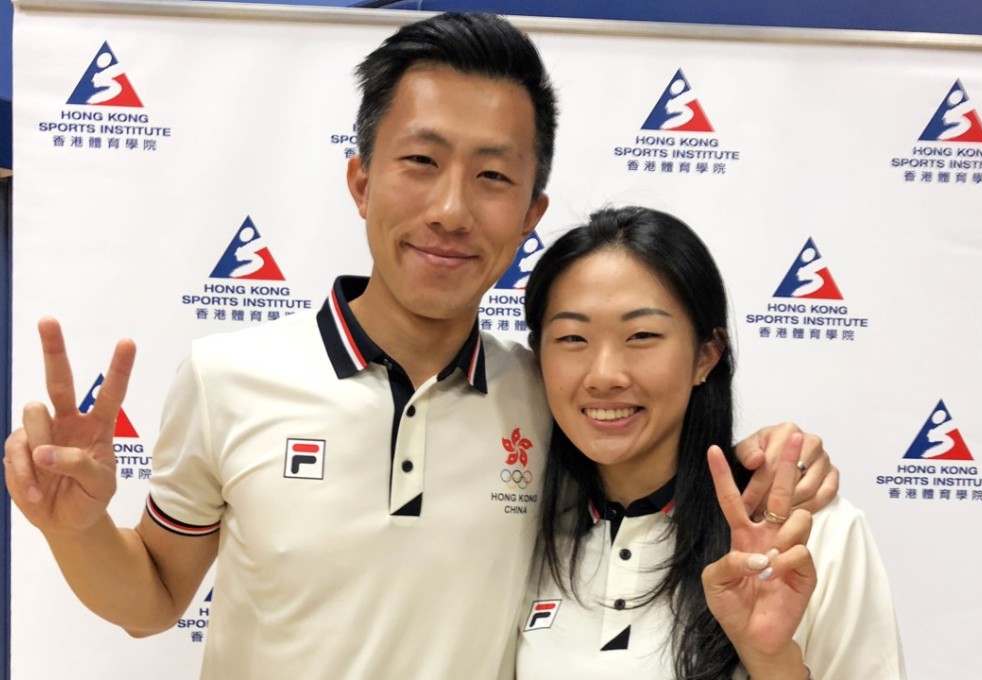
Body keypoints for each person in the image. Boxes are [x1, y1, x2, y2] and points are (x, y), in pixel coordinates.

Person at [4, 13, 836, 679]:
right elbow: (153, 600)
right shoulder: (228, 378)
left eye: (492, 176)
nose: (450, 209)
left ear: (530, 216)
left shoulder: (548, 396)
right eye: (420, 161)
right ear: (361, 180)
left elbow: (657, 455)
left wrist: (777, 452)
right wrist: (74, 530)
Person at [516, 206, 906, 679]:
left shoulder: (811, 537)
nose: (604, 376)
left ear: (706, 356)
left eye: (641, 335)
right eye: (573, 337)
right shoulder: (519, 528)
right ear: (538, 357)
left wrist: (769, 660)